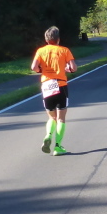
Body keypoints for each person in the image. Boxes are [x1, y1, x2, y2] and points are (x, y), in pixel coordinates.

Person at [31, 26, 77, 156]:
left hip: (46, 85)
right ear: (58, 39)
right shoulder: (64, 50)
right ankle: (58, 146)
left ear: (46, 39)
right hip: (61, 84)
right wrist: (68, 69)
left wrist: (42, 70)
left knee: (52, 117)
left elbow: (34, 67)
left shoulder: (40, 51)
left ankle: (48, 135)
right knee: (61, 118)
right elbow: (73, 68)